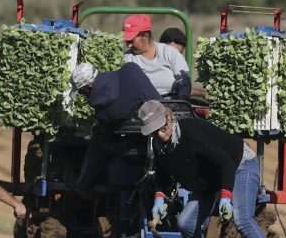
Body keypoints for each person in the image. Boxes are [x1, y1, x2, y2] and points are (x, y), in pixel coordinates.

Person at [137, 100, 286, 238]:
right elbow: (162, 174)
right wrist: (159, 196)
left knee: (242, 219)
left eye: (162, 127)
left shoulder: (191, 133)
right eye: (153, 131)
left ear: (169, 117)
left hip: (239, 166)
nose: (160, 133)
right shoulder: (159, 146)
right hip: (207, 181)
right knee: (185, 223)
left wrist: (225, 195)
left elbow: (224, 163)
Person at [68, 62, 160, 190]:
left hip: (138, 143)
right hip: (160, 130)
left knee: (97, 143)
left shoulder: (105, 111)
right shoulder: (130, 68)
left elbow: (108, 134)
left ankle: (82, 185)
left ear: (89, 88)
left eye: (82, 92)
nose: (84, 96)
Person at [122, 14, 191, 100]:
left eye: (131, 41)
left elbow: (184, 82)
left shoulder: (170, 53)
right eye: (127, 41)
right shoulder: (127, 59)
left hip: (171, 103)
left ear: (146, 36)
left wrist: (181, 103)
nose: (129, 45)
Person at [158, 27, 209, 100]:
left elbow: (181, 88)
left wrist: (203, 93)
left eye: (178, 54)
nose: (175, 56)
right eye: (172, 52)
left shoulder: (177, 64)